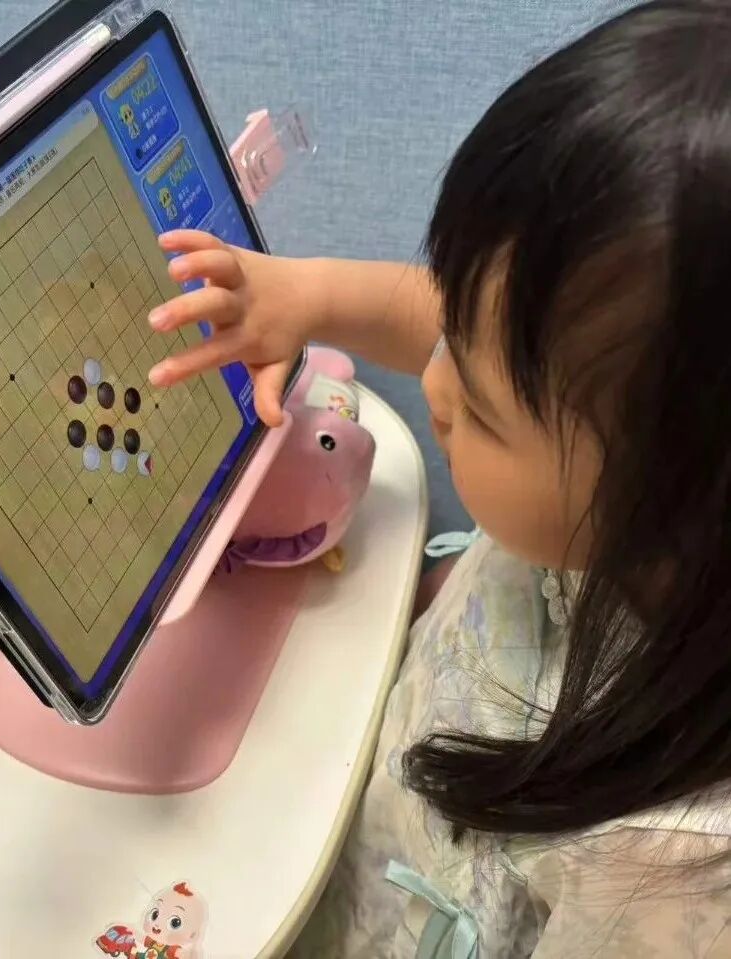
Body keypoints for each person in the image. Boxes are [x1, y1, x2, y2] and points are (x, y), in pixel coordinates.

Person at [146, 1, 731, 954]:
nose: (433, 381)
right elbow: (484, 334)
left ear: (675, 499)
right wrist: (307, 295)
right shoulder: (623, 450)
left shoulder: (676, 871)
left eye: (484, 410)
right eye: (452, 328)